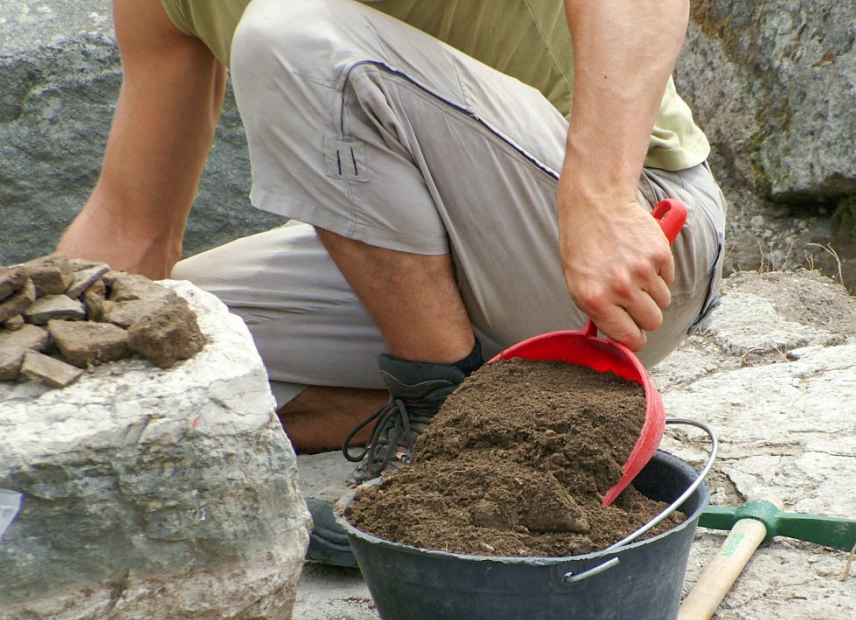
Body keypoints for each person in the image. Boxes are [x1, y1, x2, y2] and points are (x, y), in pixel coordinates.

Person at [58, 0, 727, 564]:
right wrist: (44, 367)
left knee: (289, 35)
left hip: (633, 244)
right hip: (430, 271)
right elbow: (131, 225)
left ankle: (444, 446)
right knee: (175, 334)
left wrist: (602, 197)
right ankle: (442, 408)